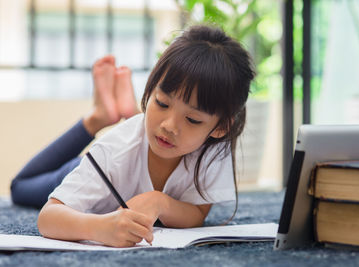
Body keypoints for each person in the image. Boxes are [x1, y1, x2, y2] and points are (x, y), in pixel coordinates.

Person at [36, 25, 255, 248]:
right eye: (162, 103)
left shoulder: (213, 147)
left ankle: (127, 113)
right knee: (20, 187)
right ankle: (99, 117)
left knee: (141, 138)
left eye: (192, 120)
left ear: (219, 128)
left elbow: (198, 212)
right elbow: (48, 218)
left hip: (134, 148)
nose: (170, 126)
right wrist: (100, 228)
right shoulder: (112, 152)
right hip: (89, 167)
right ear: (150, 88)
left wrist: (160, 202)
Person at [10, 55, 140, 209]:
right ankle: (134, 121)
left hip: (95, 169)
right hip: (100, 170)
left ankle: (108, 118)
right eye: (162, 104)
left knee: (19, 186)